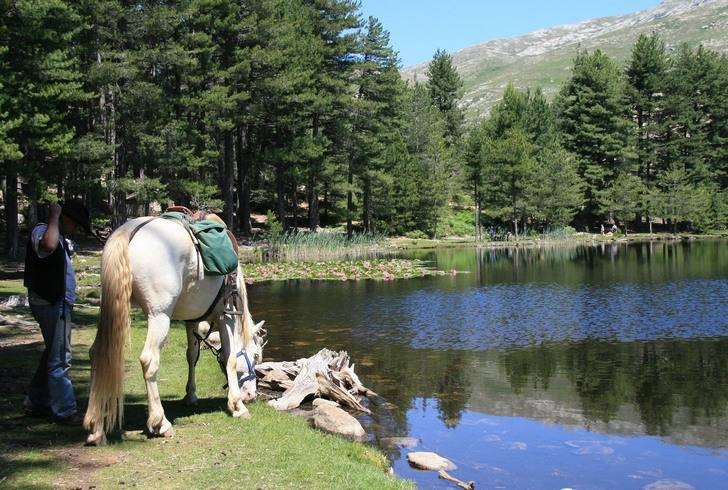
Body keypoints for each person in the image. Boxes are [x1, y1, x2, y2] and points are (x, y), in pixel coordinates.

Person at [23, 200, 92, 425]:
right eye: (76, 225)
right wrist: (54, 216)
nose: (76, 230)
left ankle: (36, 401)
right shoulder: (44, 230)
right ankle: (64, 411)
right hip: (51, 302)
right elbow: (48, 246)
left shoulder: (60, 236)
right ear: (65, 219)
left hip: (56, 302)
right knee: (61, 358)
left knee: (53, 353)